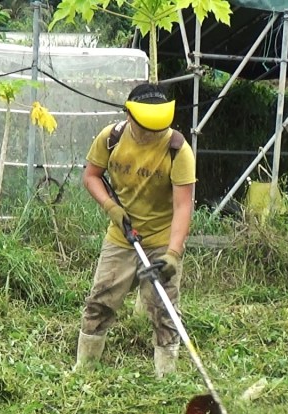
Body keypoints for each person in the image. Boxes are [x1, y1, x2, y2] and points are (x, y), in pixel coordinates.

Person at [73, 82, 197, 377]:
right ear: (129, 115)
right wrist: (111, 208)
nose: (153, 134)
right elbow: (91, 176)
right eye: (146, 128)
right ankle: (84, 370)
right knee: (100, 302)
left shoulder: (178, 149)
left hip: (160, 241)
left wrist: (173, 254)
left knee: (164, 312)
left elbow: (183, 206)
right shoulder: (110, 139)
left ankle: (165, 377)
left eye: (159, 128)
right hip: (121, 238)